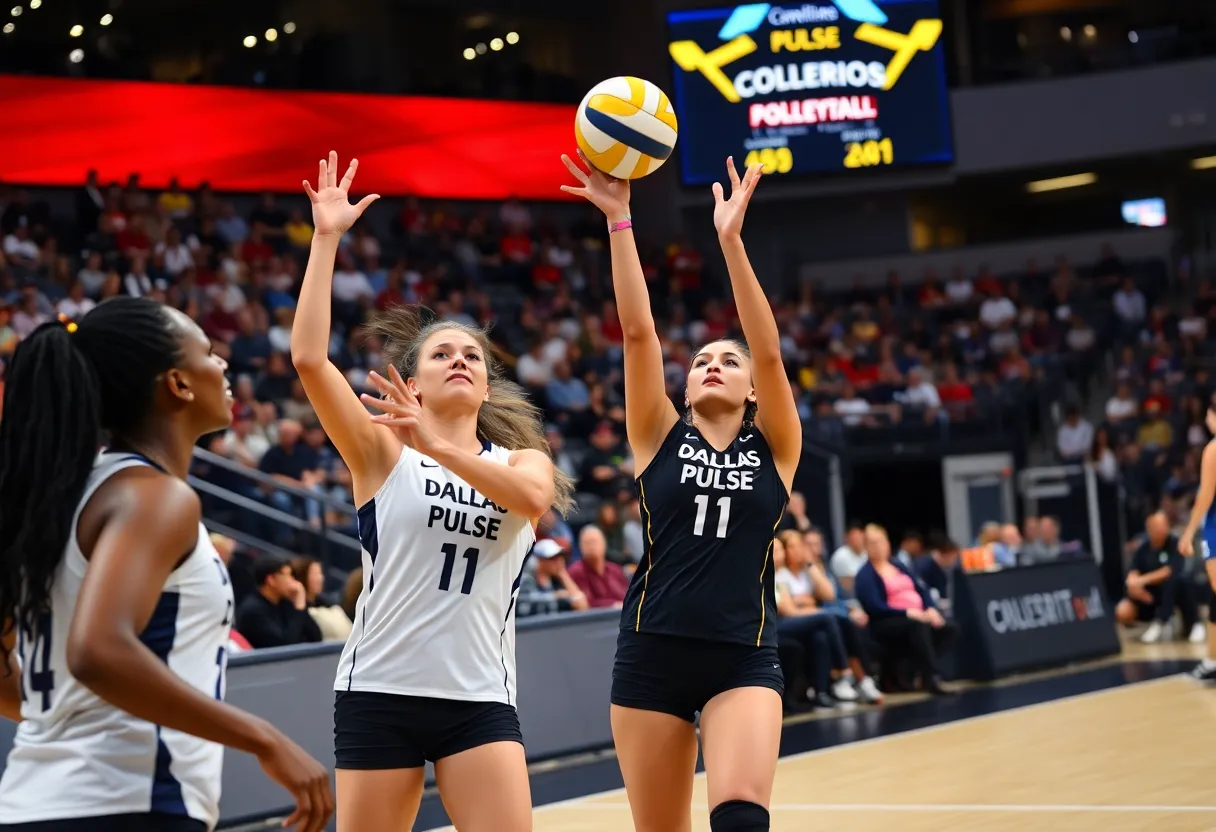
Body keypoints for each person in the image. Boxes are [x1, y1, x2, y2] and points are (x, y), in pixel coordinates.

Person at [292, 153, 573, 832]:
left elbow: (531, 502)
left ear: (486, 387)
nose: (460, 360)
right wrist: (325, 240)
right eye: (442, 354)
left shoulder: (524, 460)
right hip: (379, 688)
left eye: (472, 355)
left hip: (478, 696)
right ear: (413, 383)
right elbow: (308, 358)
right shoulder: (381, 450)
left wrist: (441, 447)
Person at [0, 298, 332, 832]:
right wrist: (265, 739)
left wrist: (59, 715)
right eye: (208, 352)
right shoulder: (155, 498)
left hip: (31, 803)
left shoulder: (63, 496)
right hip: (128, 805)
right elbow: (97, 650)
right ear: (177, 384)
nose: (223, 362)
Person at [563, 153, 800, 832]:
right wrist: (619, 220)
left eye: (729, 361)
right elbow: (638, 332)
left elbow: (770, 351)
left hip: (743, 652)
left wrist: (731, 242)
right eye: (701, 361)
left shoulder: (776, 446)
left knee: (742, 820)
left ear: (752, 391)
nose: (713, 365)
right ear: (687, 388)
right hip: (651, 651)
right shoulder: (656, 434)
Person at [855, 524, 956, 695]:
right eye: (872, 543)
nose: (878, 547)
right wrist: (907, 613)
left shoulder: (898, 565)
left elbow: (921, 589)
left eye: (881, 541)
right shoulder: (865, 574)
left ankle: (915, 672)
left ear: (888, 543)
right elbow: (874, 606)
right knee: (918, 626)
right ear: (866, 547)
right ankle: (931, 678)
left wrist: (930, 608)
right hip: (885, 621)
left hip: (915, 616)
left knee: (949, 629)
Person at [1116, 512, 1201, 644]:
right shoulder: (1143, 549)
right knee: (1123, 609)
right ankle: (1147, 625)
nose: (1160, 529)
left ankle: (1189, 624)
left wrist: (1142, 580)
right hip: (1149, 595)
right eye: (1155, 526)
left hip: (1173, 591)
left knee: (1179, 583)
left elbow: (1168, 571)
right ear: (1148, 528)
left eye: (1162, 525)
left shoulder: (1175, 544)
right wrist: (1133, 585)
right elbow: (1133, 573)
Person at [1179, 403, 1216, 680]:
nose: (1206, 419)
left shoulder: (1213, 449)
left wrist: (1188, 530)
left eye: (1208, 415)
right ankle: (1212, 660)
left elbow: (1205, 494)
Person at [235, 556, 325, 649]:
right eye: (288, 575)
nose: (293, 581)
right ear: (271, 580)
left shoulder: (284, 603)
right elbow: (285, 646)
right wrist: (299, 606)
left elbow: (316, 637)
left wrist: (299, 605)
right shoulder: (253, 611)